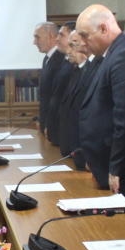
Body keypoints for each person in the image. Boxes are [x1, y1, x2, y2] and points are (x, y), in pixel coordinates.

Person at [76, 5, 125, 193]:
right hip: (103, 165)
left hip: (117, 168)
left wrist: (116, 167)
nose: (82, 42)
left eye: (85, 35)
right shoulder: (110, 53)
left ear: (103, 29)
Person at [56, 25, 89, 161]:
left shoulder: (89, 71)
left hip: (81, 148)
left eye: (73, 45)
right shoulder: (75, 70)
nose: (68, 51)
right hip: (70, 146)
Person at [33, 22, 65, 140]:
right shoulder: (47, 58)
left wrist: (49, 124)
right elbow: (45, 94)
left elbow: (56, 97)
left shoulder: (61, 58)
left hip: (54, 126)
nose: (34, 42)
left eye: (37, 37)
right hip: (46, 122)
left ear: (51, 36)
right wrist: (41, 119)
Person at [46, 22, 74, 145]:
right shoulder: (65, 61)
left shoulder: (75, 65)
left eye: (62, 35)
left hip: (66, 135)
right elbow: (54, 97)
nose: (57, 38)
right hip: (56, 132)